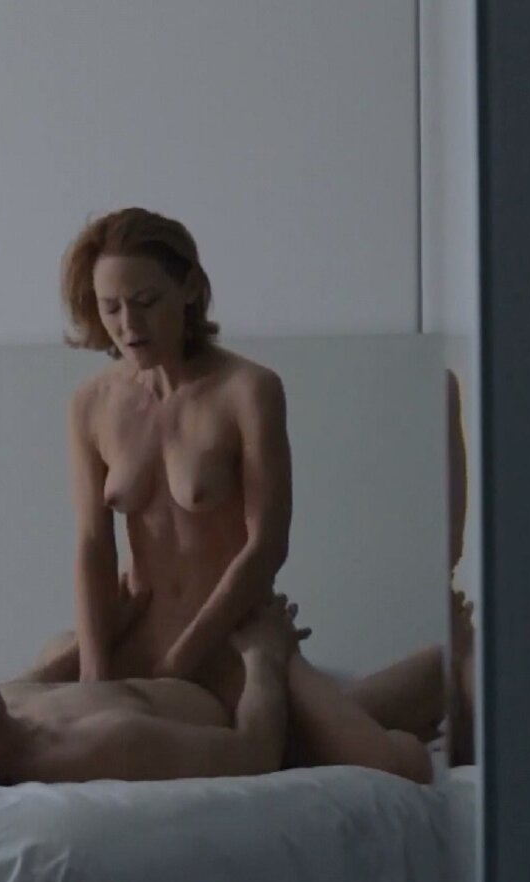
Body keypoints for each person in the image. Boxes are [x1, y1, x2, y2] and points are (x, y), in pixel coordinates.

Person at [58, 207, 439, 783]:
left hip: (235, 641)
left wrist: (181, 664)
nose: (128, 324)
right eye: (111, 307)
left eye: (146, 301)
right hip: (136, 641)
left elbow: (267, 545)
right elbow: (92, 544)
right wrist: (94, 673)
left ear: (189, 288)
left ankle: (443, 679)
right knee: (37, 690)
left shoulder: (248, 390)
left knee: (394, 767)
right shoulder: (90, 405)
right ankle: (399, 692)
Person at [0, 598, 311, 788]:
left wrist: (111, 619)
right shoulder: (105, 747)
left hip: (183, 671)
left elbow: (45, 673)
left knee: (59, 643)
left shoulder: (3, 715)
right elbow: (255, 754)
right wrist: (264, 655)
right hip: (252, 699)